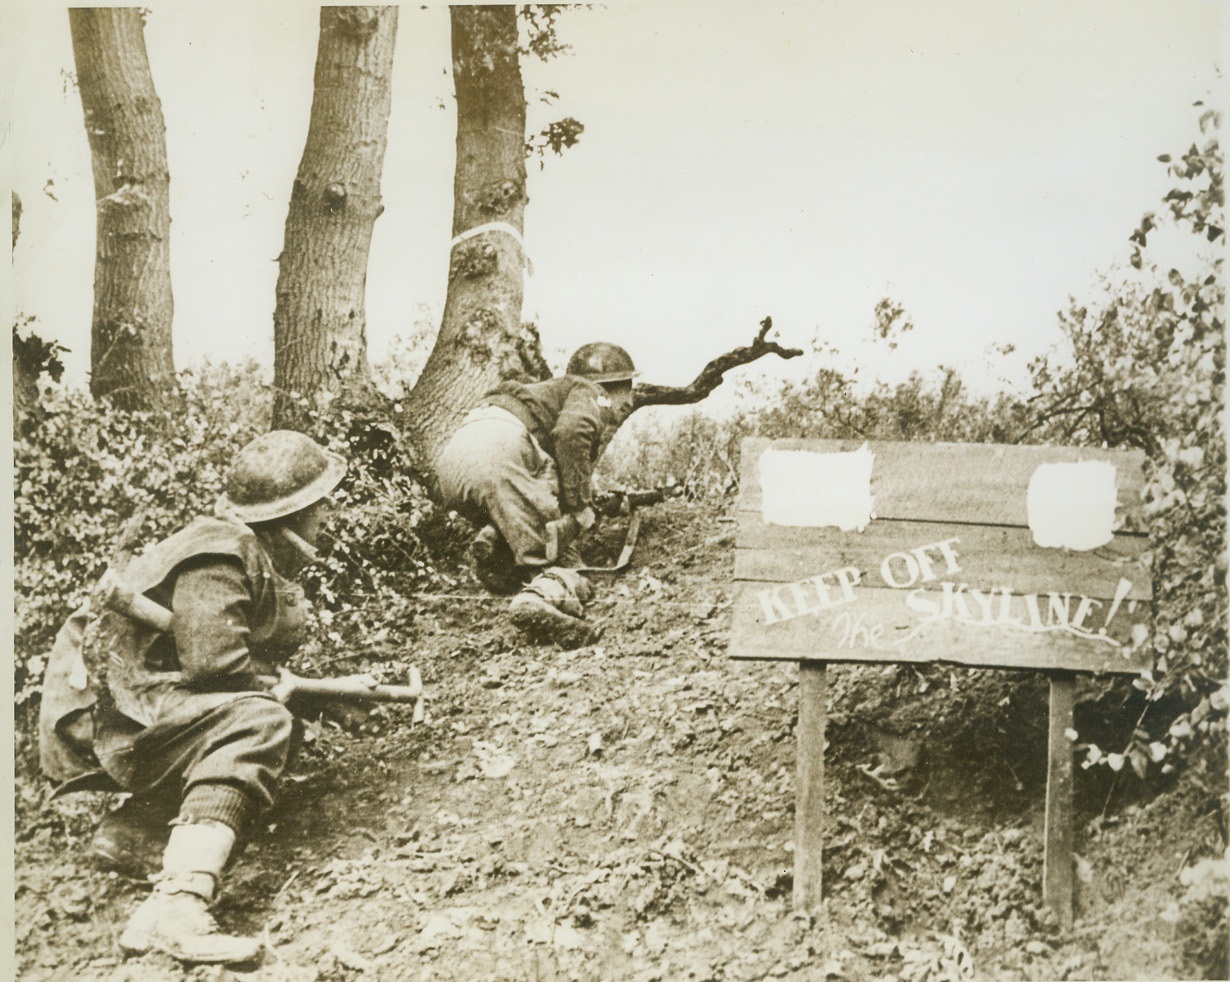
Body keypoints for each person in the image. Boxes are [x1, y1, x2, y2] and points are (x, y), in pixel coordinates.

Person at [38, 430, 346, 965]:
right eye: (320, 503)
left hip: (132, 697)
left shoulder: (238, 547)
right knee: (258, 723)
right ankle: (179, 906)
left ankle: (136, 834)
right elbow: (215, 665)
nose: (328, 513)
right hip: (112, 708)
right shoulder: (222, 551)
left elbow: (218, 660)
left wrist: (318, 694)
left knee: (263, 716)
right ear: (288, 516)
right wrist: (289, 695)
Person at [436, 342, 637, 645]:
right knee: (559, 559)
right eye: (628, 390)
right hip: (502, 454)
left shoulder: (547, 397)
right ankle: (539, 598)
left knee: (525, 517)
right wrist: (582, 507)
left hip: (456, 459)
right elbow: (572, 433)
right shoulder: (591, 391)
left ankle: (497, 544)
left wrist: (589, 497)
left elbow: (554, 467)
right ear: (611, 387)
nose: (630, 400)